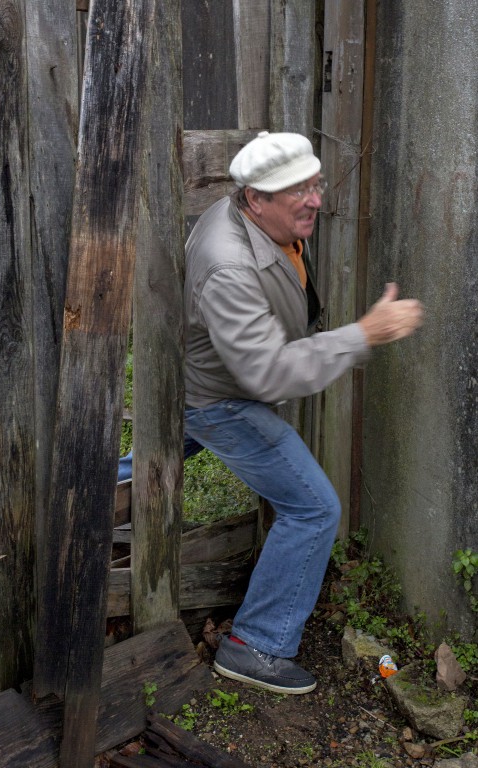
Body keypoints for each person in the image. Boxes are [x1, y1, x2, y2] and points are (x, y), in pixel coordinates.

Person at [121, 131, 424, 695]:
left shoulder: (258, 219)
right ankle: (256, 645)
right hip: (224, 401)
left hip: (207, 377)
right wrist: (363, 334)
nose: (314, 199)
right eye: (296, 190)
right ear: (255, 198)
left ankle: (94, 491)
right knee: (314, 509)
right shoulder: (230, 266)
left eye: (314, 183)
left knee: (141, 465)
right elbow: (267, 373)